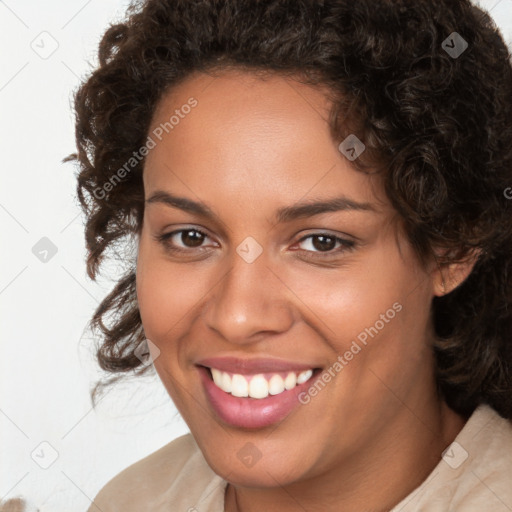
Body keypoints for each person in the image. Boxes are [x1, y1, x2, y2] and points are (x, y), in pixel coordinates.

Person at [68, 0, 512, 510]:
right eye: (190, 237)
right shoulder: (133, 501)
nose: (237, 317)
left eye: (321, 242)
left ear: (451, 247)